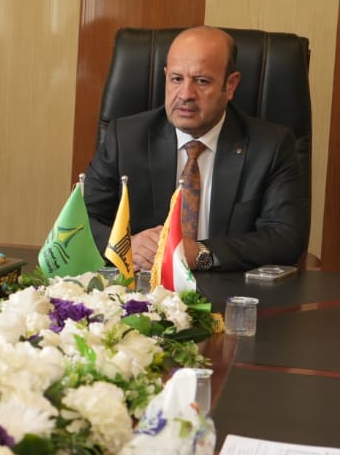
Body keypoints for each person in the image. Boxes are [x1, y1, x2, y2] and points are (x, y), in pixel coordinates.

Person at [83, 25, 308, 273]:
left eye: (202, 81)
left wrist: (202, 253)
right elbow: (79, 222)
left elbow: (285, 238)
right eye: (176, 79)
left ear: (230, 85)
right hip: (142, 288)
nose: (186, 94)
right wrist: (124, 245)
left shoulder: (271, 147)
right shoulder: (125, 138)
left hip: (227, 288)